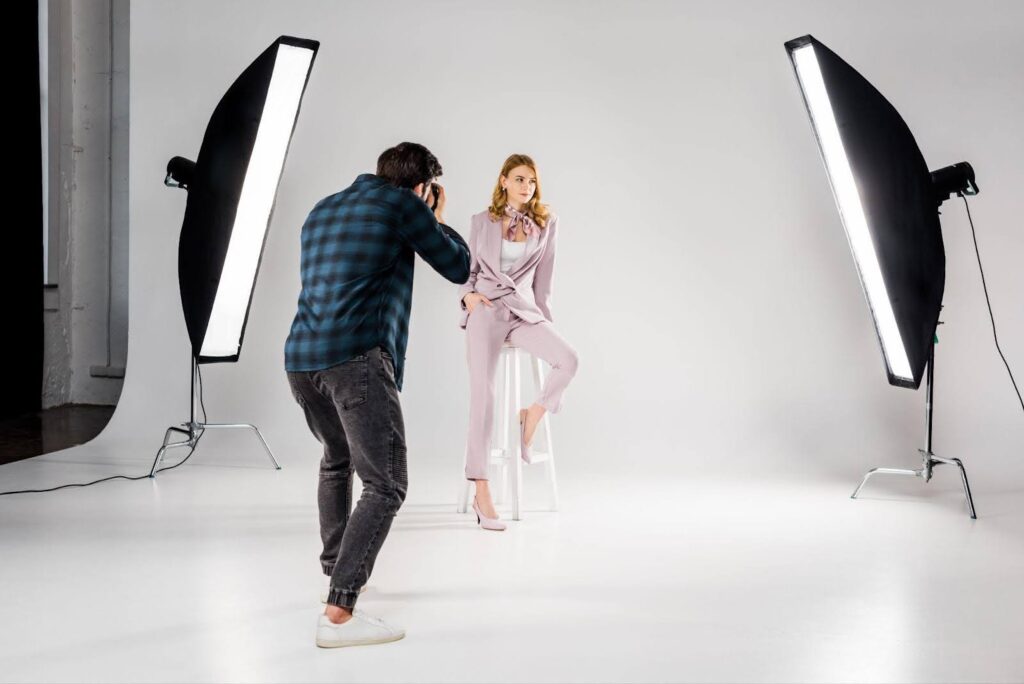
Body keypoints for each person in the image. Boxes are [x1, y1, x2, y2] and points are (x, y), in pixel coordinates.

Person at [285, 142, 470, 647]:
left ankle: (335, 570)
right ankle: (339, 611)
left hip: (301, 359)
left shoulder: (323, 207)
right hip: (354, 357)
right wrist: (433, 215)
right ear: (423, 185)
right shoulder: (402, 205)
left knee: (335, 460)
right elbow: (458, 265)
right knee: (387, 483)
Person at [458, 154, 579, 531]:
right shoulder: (482, 221)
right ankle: (481, 490)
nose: (527, 187)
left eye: (532, 182)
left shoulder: (547, 223)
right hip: (486, 310)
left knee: (568, 359)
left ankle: (531, 416)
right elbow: (469, 271)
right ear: (504, 181)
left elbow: (545, 281)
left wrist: (544, 321)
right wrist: (468, 298)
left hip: (523, 311)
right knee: (484, 394)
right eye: (520, 179)